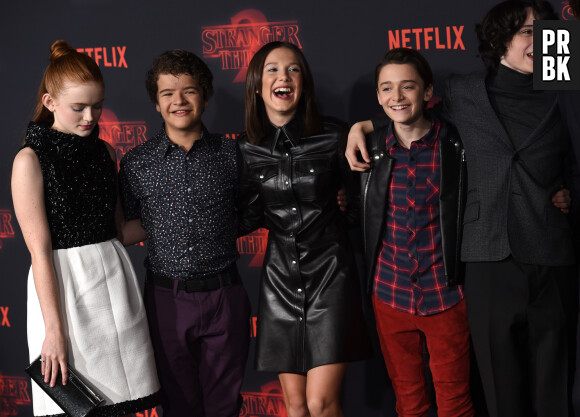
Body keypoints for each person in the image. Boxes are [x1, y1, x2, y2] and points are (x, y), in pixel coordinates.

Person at [345, 2, 577, 416]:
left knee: (555, 386)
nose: (540, 40)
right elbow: (407, 114)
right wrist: (360, 127)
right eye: (527, 32)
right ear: (498, 40)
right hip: (487, 256)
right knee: (500, 390)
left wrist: (573, 193)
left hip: (551, 253)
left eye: (546, 32)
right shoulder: (465, 92)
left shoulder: (564, 87)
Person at [11, 40, 160, 417]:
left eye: (97, 105)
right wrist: (53, 330)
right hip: (65, 288)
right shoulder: (29, 160)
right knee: (75, 406)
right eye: (79, 107)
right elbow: (40, 252)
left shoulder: (106, 152)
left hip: (114, 279)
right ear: (49, 103)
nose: (90, 117)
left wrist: (180, 215)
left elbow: (120, 231)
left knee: (126, 400)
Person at [237, 41, 370, 417]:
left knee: (321, 403)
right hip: (279, 281)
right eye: (273, 69)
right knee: (295, 406)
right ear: (257, 86)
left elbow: (361, 204)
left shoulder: (334, 135)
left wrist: (343, 212)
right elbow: (246, 216)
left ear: (304, 82)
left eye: (294, 69)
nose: (284, 77)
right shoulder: (246, 147)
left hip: (331, 275)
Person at [118, 50, 251, 417]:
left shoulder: (231, 153)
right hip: (166, 300)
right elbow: (128, 227)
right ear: (156, 103)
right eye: (167, 94)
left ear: (205, 97)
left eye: (189, 91)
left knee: (225, 405)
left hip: (225, 294)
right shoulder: (137, 163)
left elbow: (251, 211)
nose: (179, 101)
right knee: (178, 405)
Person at [359, 47, 474, 417]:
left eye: (407, 87)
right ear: (378, 97)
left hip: (446, 295)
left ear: (427, 92)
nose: (397, 97)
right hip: (390, 294)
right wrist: (357, 128)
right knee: (409, 404)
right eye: (387, 88)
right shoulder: (372, 150)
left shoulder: (455, 145)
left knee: (455, 403)